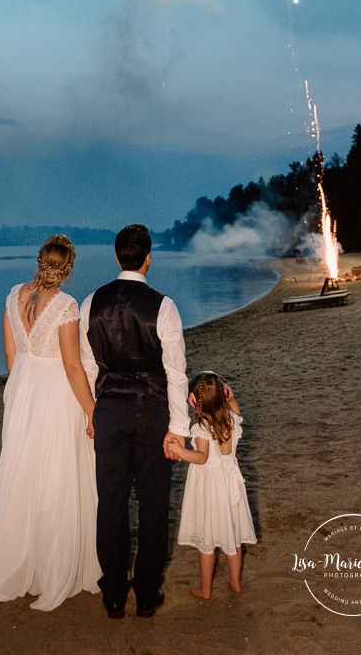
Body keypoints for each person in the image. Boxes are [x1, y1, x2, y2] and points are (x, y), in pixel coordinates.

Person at [0, 234, 100, 612]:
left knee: (23, 475)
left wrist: (19, 389)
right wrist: (92, 411)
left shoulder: (14, 293)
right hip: (55, 395)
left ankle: (20, 562)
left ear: (39, 261)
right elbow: (72, 365)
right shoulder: (65, 305)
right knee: (56, 477)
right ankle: (52, 569)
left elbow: (10, 350)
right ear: (68, 267)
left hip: (23, 390)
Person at [80, 224, 189, 619]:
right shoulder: (164, 306)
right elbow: (176, 373)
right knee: (154, 503)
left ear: (115, 256)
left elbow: (89, 364)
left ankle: (112, 594)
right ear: (147, 258)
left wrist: (93, 413)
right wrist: (179, 427)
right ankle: (145, 593)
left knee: (110, 502)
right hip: (152, 410)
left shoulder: (91, 303)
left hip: (109, 409)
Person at [174, 371, 257, 598]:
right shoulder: (230, 419)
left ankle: (206, 589)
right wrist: (230, 399)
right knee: (234, 536)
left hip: (211, 490)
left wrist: (181, 451)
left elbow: (201, 457)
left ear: (195, 404)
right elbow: (235, 408)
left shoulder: (202, 429)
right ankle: (235, 582)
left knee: (208, 541)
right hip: (231, 488)